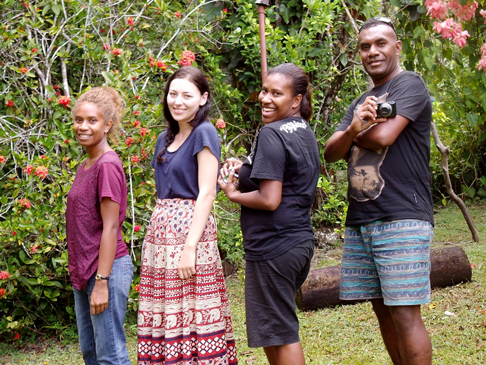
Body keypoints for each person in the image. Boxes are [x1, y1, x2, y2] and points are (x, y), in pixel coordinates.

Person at [324, 17, 434, 365]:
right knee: (383, 311)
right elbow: (329, 152)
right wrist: (357, 125)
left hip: (401, 216)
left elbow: (383, 137)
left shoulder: (409, 85)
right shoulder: (362, 99)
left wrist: (355, 131)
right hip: (362, 219)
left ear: (397, 47)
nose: (372, 51)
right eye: (365, 46)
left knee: (404, 314)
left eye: (381, 43)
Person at [219, 63, 320, 365]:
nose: (266, 98)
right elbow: (281, 175)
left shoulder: (272, 133)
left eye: (277, 93)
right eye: (265, 90)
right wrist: (244, 165)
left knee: (283, 331)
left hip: (274, 247)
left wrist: (234, 194)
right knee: (273, 331)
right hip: (296, 243)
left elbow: (270, 198)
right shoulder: (302, 130)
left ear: (295, 100)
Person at [137, 66, 238, 365]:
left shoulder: (204, 133)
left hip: (190, 233)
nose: (178, 101)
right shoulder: (163, 139)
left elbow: (206, 192)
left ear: (203, 98)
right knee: (165, 310)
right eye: (173, 94)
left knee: (194, 309)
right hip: (161, 235)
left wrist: (189, 247)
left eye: (187, 95)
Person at [66, 87, 134, 365]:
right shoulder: (87, 164)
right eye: (79, 120)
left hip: (106, 270)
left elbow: (110, 227)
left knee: (110, 355)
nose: (83, 126)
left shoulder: (107, 164)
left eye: (92, 121)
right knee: (91, 353)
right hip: (85, 270)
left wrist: (102, 282)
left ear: (107, 125)